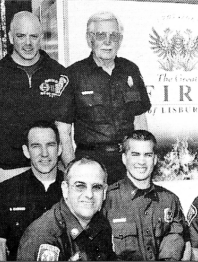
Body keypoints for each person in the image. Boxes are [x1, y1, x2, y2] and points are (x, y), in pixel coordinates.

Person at [0, 11, 71, 184]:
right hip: (8, 172)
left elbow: (64, 132)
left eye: (33, 36)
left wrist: (72, 172)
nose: (28, 43)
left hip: (50, 170)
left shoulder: (58, 73)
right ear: (11, 38)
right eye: (21, 36)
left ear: (41, 38)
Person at [59, 11, 152, 185]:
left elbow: (140, 121)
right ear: (89, 39)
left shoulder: (130, 70)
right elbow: (63, 131)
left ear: (120, 40)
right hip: (90, 164)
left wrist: (143, 160)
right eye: (101, 35)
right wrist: (73, 171)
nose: (108, 42)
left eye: (113, 35)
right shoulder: (74, 74)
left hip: (128, 163)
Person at [0, 120, 64, 261]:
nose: (44, 153)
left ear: (59, 149)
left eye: (50, 145)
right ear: (26, 151)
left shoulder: (74, 190)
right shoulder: (6, 191)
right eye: (36, 146)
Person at [103, 130, 187, 260]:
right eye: (135, 155)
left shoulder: (170, 200)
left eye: (147, 155)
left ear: (155, 159)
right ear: (124, 158)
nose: (141, 162)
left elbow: (185, 244)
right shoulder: (108, 199)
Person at [17, 157, 115, 261]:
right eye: (80, 186)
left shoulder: (101, 223)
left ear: (104, 192)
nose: (89, 195)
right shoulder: (44, 237)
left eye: (96, 187)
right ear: (65, 189)